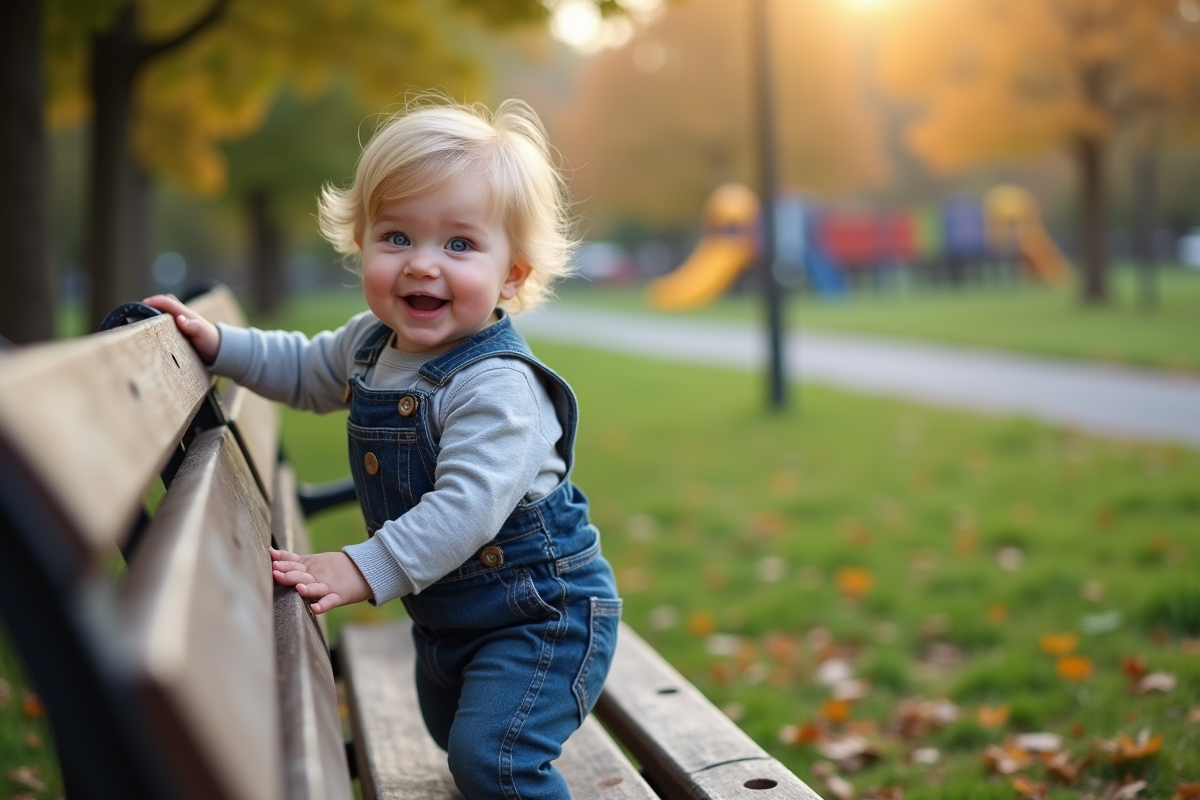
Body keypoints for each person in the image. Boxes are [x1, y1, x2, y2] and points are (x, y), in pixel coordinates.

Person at [145, 97, 620, 800]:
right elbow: (304, 369)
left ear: (512, 276)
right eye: (397, 237)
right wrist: (219, 346)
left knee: (496, 763)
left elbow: (467, 509)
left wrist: (362, 567)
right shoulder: (369, 342)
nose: (422, 266)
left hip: (543, 616)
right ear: (361, 241)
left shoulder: (496, 387)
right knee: (453, 738)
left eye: (459, 245)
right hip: (453, 621)